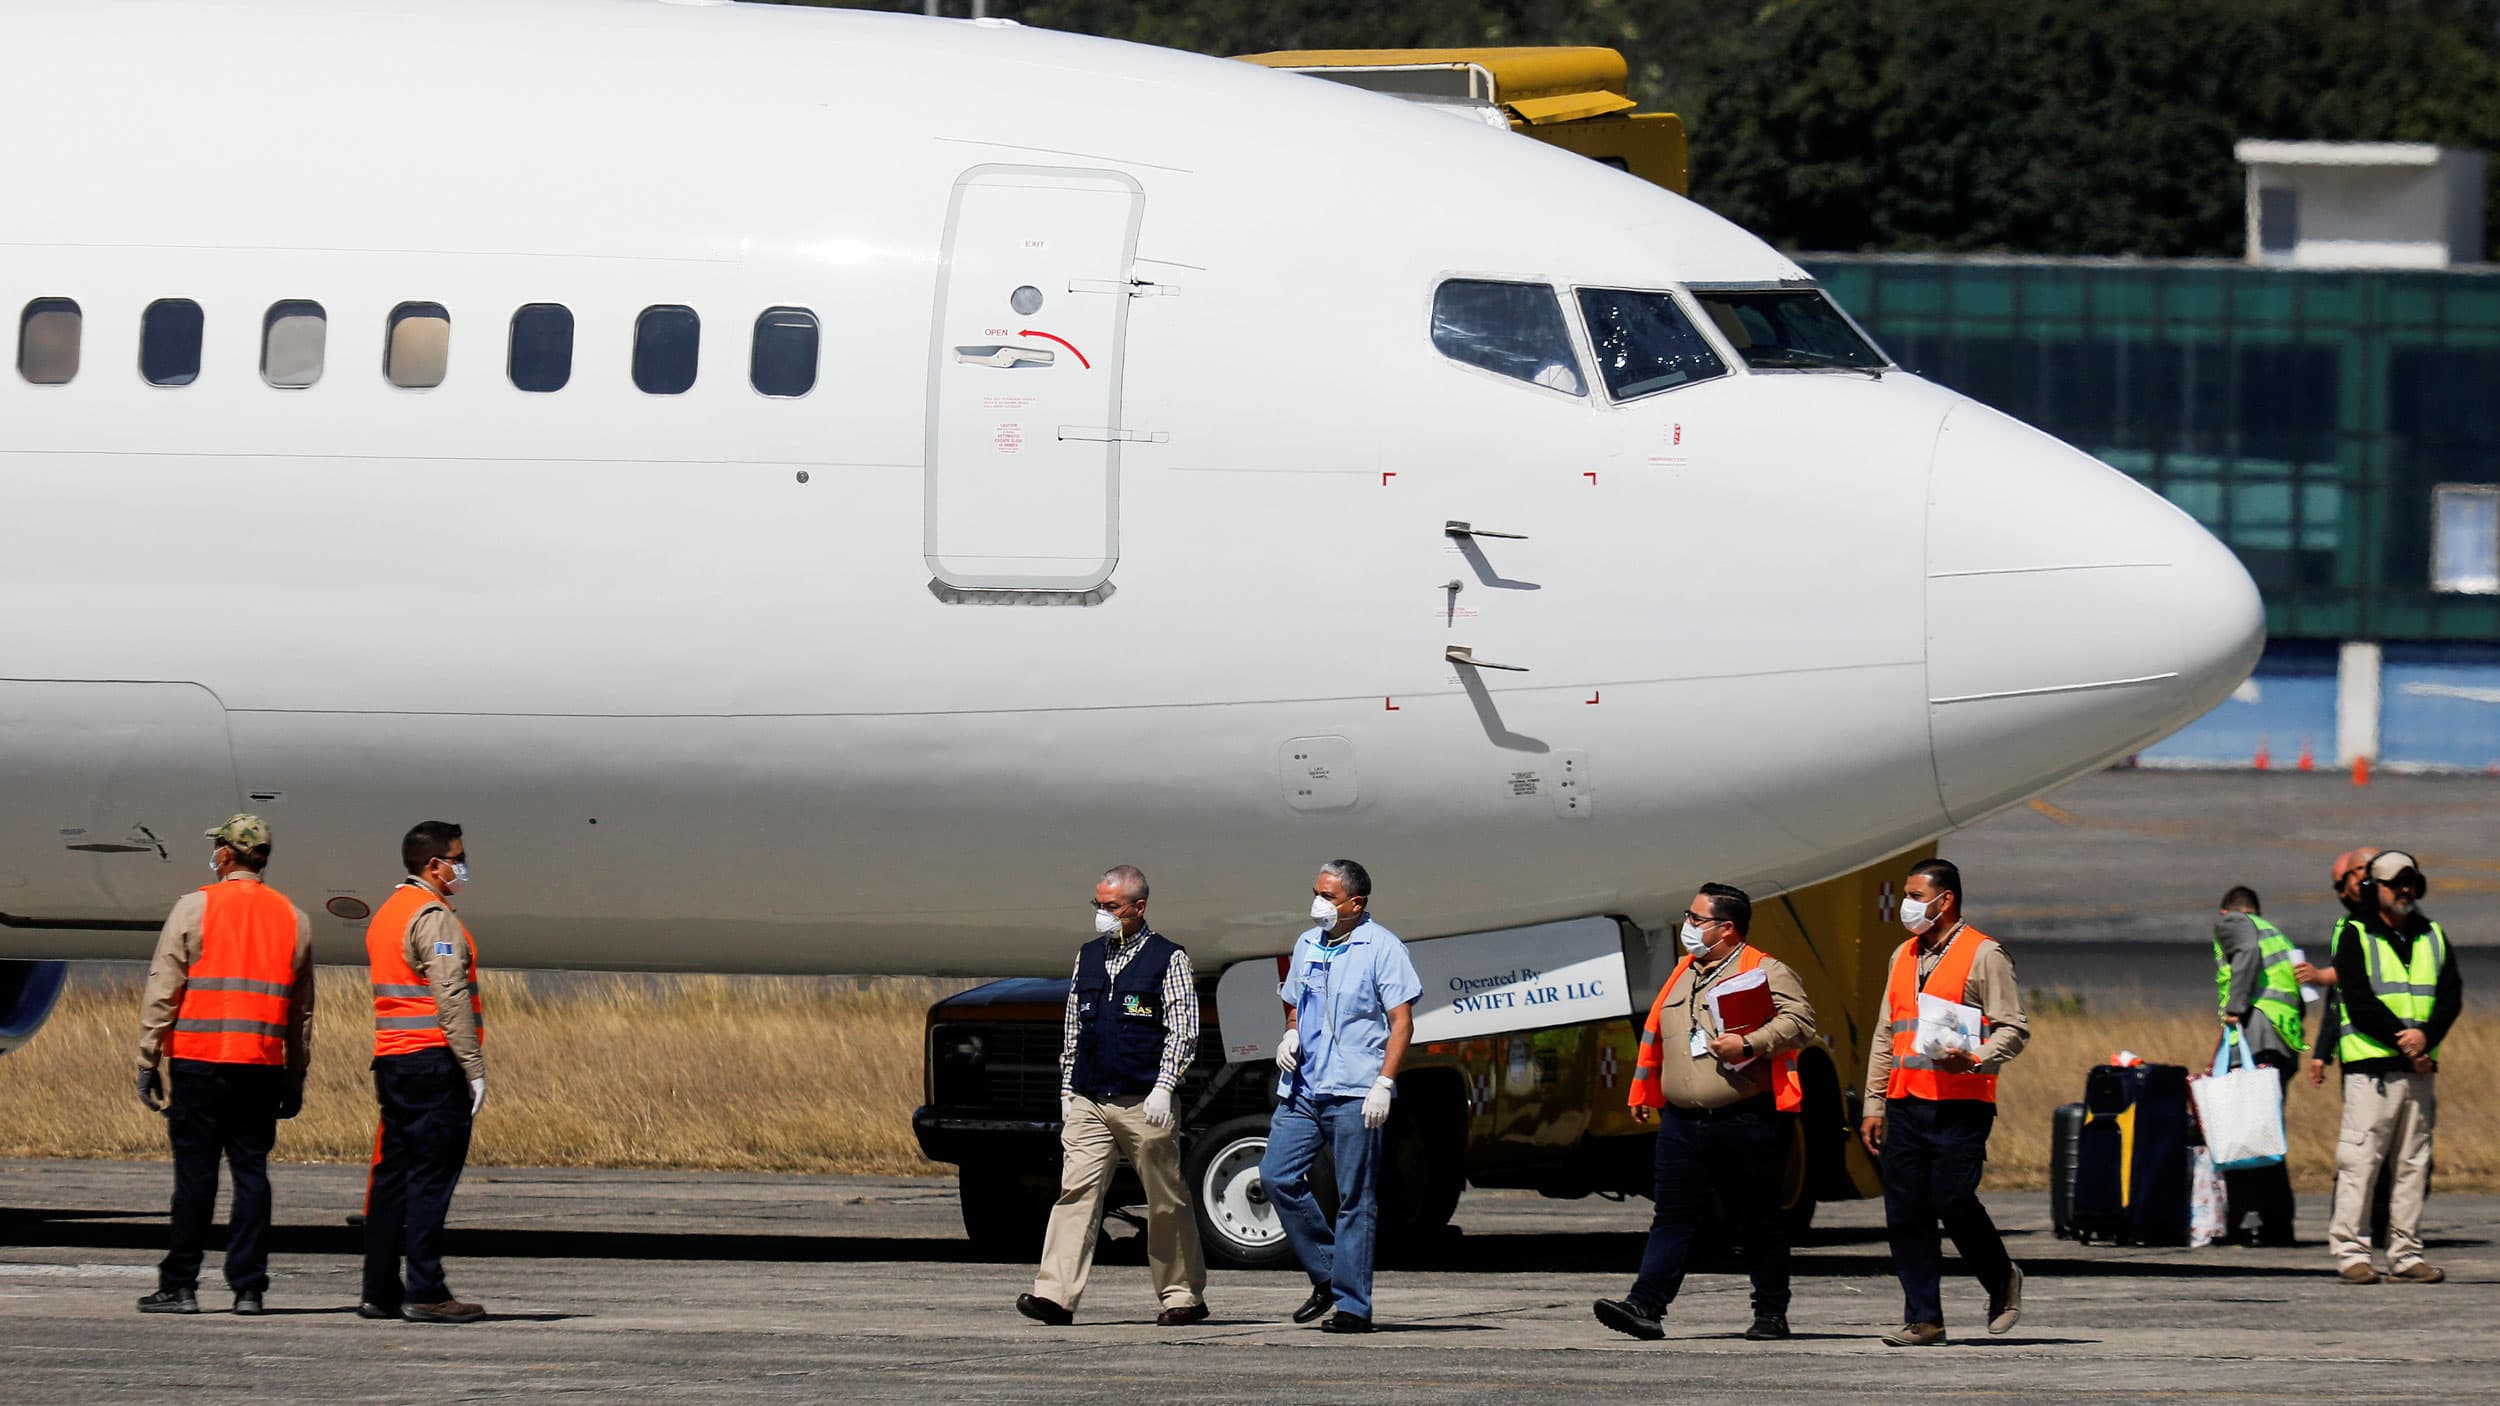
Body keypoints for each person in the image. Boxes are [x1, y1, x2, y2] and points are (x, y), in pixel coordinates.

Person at [1593, 883, 1815, 1343]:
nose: (1688, 927)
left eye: (1697, 920)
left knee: (1757, 1219)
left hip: (1746, 1117)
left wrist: (1750, 1043)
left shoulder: (1764, 969)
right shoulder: (1683, 972)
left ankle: (1771, 1313)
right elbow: (1661, 1037)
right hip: (1681, 1121)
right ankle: (1645, 1306)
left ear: (1726, 928)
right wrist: (1645, 1091)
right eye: (1689, 918)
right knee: (1673, 1215)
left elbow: (1801, 1022)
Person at [132, 815, 314, 1315]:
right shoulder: (293, 918)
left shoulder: (194, 909)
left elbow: (163, 991)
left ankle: (181, 1286)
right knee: (252, 1176)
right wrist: (295, 1076)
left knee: (195, 1179)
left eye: (218, 847)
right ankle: (249, 1288)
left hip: (199, 1064)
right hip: (260, 1065)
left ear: (229, 854)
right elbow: (301, 1012)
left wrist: (148, 1059)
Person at [1017, 865, 1209, 1327]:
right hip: (1089, 1098)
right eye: (1097, 905)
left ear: (1137, 908)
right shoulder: (1088, 956)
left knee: (1165, 1199)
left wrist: (1166, 1086)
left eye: (1111, 907)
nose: (1102, 914)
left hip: (1144, 1100)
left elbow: (1183, 1027)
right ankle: (1055, 1295)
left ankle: (1182, 1295)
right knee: (1076, 1192)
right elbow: (1073, 1026)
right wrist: (1067, 1088)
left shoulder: (1167, 958)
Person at [1860, 858, 2029, 1347]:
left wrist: (1975, 1058)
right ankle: (1924, 1318)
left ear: (1945, 899)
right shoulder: (1903, 956)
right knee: (1907, 1212)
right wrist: (1874, 1102)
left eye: (1915, 895)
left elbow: (2015, 1028)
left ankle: (2001, 1278)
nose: (1907, 905)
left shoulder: (1984, 955)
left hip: (1961, 1104)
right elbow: (1886, 1032)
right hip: (1906, 1103)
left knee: (1951, 1199)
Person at [1259, 859, 1422, 1334]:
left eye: (1328, 896)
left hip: (1355, 1091)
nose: (1318, 903)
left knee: (1356, 1198)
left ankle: (1353, 1306)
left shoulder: (1383, 949)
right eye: (1317, 892)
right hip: (1305, 1088)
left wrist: (1384, 1084)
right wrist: (1290, 1032)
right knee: (1276, 1176)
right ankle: (1330, 1273)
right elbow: (1294, 997)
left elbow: (1401, 1022)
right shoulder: (1308, 944)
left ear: (1355, 903)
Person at [360, 821, 490, 1323]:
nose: (462, 865)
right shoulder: (432, 917)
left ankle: (378, 1290)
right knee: (430, 1181)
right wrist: (472, 1065)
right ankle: (426, 1291)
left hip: (392, 1061)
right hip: (434, 1063)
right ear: (433, 865)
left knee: (391, 1178)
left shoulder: (388, 913)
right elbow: (450, 992)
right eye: (457, 857)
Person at [2325, 850, 2463, 1285]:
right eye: (2394, 883)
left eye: (2411, 884)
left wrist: (2427, 1037)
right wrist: (2406, 1041)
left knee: (2412, 1164)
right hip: (2372, 1070)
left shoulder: (2432, 934)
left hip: (2419, 1069)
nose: (2404, 891)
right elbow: (2358, 998)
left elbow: (2450, 995)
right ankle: (2352, 1253)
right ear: (2373, 889)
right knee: (2360, 1162)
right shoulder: (2354, 933)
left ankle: (2405, 1254)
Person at [2212, 884, 2301, 1245]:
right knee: (2266, 1134)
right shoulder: (2276, 935)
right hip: (2283, 1041)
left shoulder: (2234, 923)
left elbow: (2245, 951)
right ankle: (2274, 1222)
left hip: (2258, 1037)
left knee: (2249, 1137)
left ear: (2228, 913)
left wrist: (2235, 1007)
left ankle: (2252, 1221)